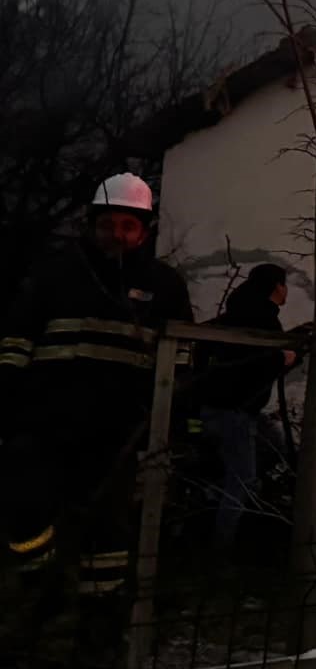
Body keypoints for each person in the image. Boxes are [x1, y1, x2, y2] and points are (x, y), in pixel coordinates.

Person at [0, 173, 192, 664]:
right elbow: (18, 337)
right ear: (91, 224)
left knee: (108, 534)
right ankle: (39, 582)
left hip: (117, 431)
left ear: (145, 230)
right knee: (25, 505)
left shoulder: (165, 286)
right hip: (45, 421)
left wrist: (175, 423)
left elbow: (180, 361)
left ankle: (98, 624)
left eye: (129, 225)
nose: (118, 234)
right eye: (109, 223)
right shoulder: (57, 272)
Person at [195, 264, 299, 554]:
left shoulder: (234, 315)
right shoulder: (262, 318)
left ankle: (221, 508)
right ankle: (222, 550)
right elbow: (255, 364)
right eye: (284, 285)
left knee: (276, 447)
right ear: (277, 287)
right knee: (241, 480)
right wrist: (282, 359)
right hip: (235, 412)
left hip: (228, 410)